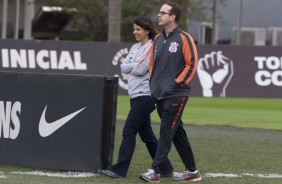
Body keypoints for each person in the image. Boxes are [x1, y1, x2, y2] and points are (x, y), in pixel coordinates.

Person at [100, 16, 173, 178]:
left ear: (147, 30)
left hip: (146, 96)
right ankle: (166, 168)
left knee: (128, 131)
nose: (135, 32)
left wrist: (133, 66)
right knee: (147, 135)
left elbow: (139, 70)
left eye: (138, 29)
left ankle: (119, 170)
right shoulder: (134, 47)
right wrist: (135, 65)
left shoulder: (152, 46)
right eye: (134, 29)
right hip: (136, 97)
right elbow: (124, 67)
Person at [140, 1, 202, 182]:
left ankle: (155, 171)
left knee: (166, 130)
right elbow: (152, 64)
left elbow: (192, 64)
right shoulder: (158, 40)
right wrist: (154, 84)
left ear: (172, 16)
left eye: (162, 13)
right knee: (177, 132)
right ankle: (192, 171)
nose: (158, 15)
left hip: (176, 94)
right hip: (158, 94)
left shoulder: (184, 38)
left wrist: (177, 83)